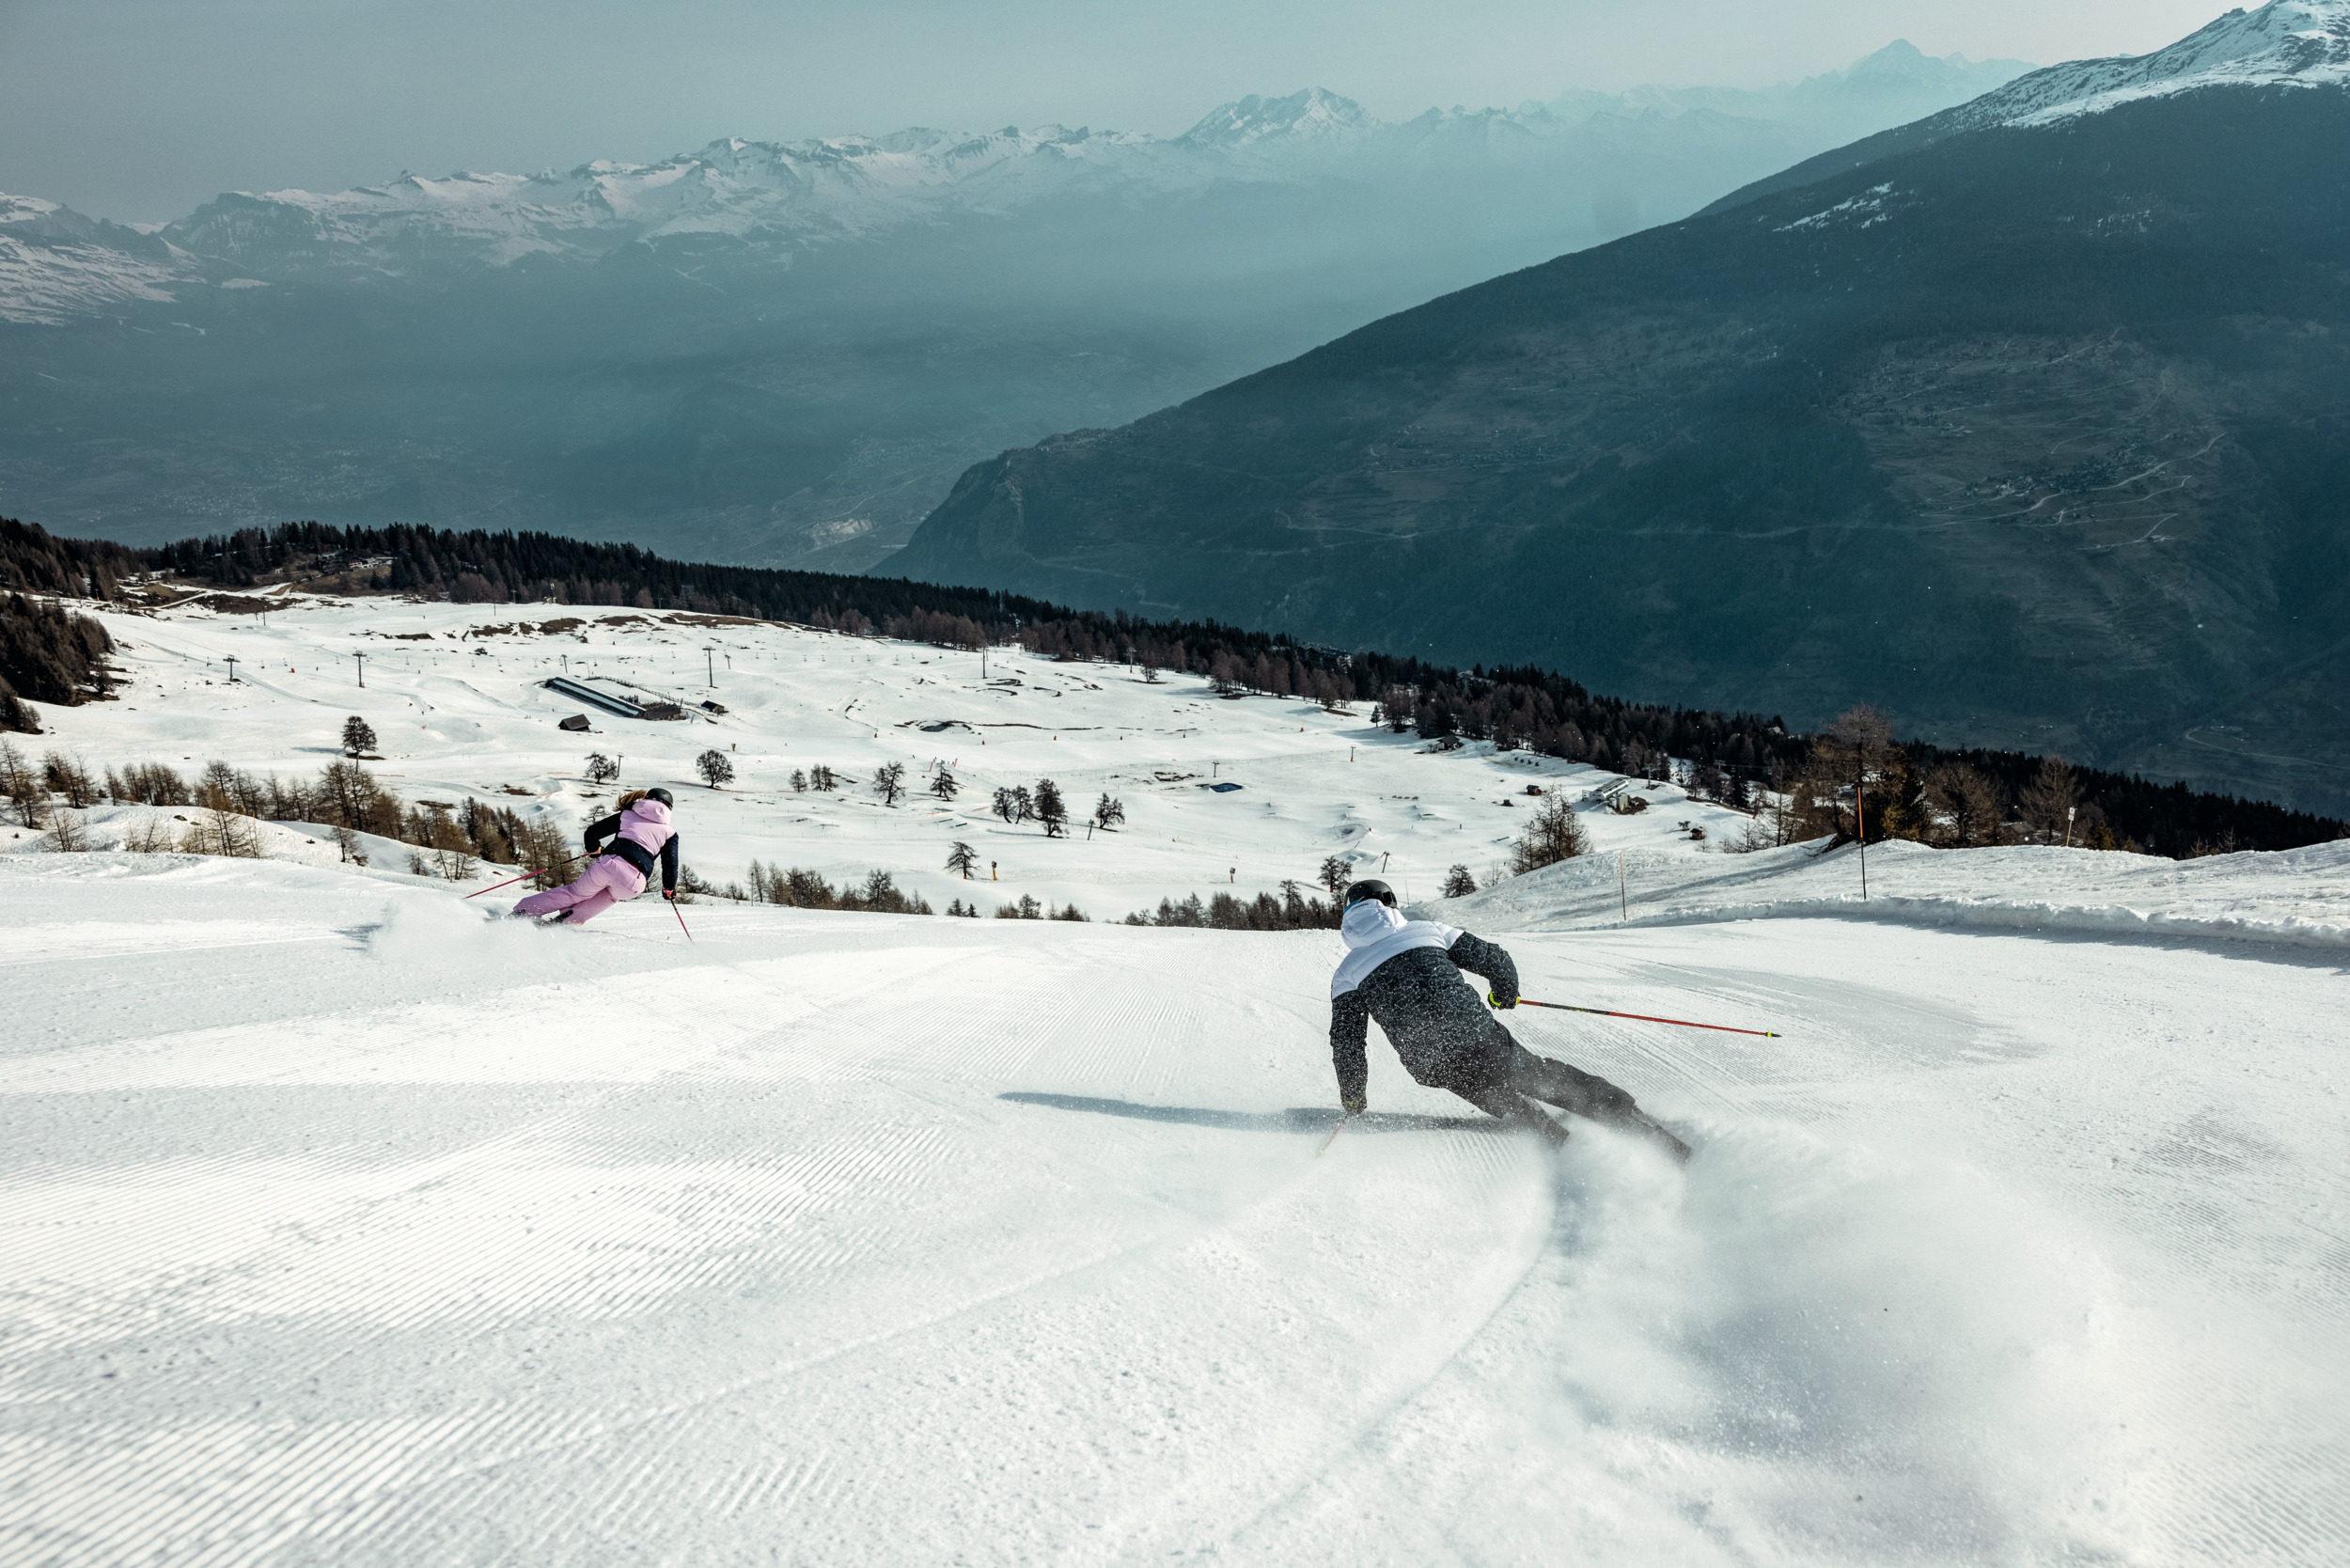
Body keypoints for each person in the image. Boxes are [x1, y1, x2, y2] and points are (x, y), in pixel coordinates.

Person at [1329, 879, 1689, 1160]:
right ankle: (1642, 1130)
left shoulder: (1346, 974)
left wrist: (1354, 1099)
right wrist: (1503, 993)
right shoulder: (1428, 930)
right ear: (1390, 903)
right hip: (1479, 1040)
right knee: (1540, 1076)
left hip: (1430, 1063)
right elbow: (1495, 959)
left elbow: (1347, 1045)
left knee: (1487, 1089)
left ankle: (1556, 1140)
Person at [511, 787, 679, 926]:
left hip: (610, 864)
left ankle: (523, 912)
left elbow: (592, 832)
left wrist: (594, 848)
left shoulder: (626, 815)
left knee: (575, 893)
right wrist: (668, 888)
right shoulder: (670, 834)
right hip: (634, 882)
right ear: (668, 809)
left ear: (646, 800)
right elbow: (670, 864)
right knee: (611, 896)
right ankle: (561, 923)